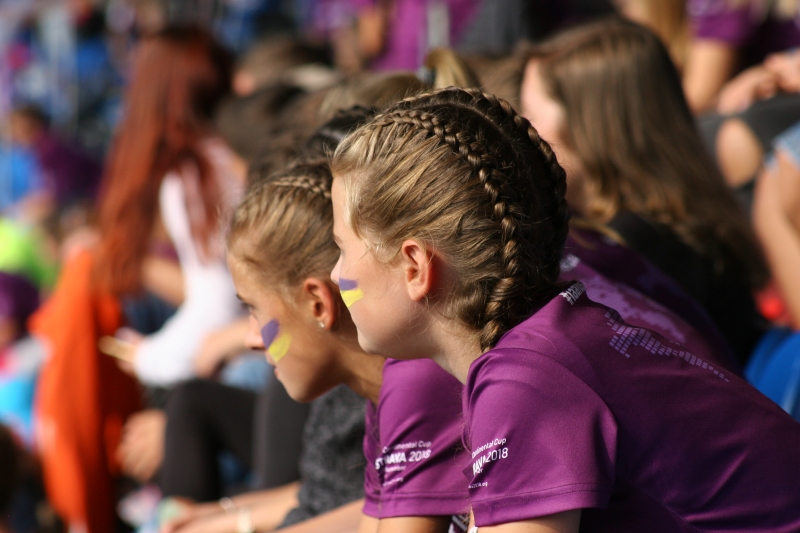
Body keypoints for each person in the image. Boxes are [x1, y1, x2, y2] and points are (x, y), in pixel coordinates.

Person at [329, 86, 800, 531]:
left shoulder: (528, 378)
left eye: (343, 249)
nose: (336, 276)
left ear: (414, 266)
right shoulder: (541, 345)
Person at [518, 19, 767, 365]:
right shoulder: (680, 221)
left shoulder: (637, 246)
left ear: (590, 128)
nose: (520, 133)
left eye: (529, 115)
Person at [93, 25, 244, 386]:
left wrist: (149, 357)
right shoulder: (220, 158)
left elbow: (220, 303)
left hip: (246, 356)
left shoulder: (199, 174)